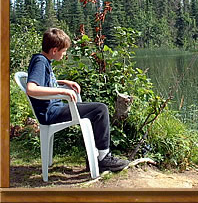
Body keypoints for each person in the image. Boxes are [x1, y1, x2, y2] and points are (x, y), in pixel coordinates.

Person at [26, 27, 129, 172]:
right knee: (100, 109)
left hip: (54, 109)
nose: (64, 54)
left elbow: (45, 82)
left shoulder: (43, 60)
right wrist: (61, 91)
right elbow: (31, 89)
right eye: (64, 51)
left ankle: (95, 156)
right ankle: (103, 158)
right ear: (54, 50)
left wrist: (63, 82)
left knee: (96, 110)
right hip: (51, 113)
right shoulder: (40, 62)